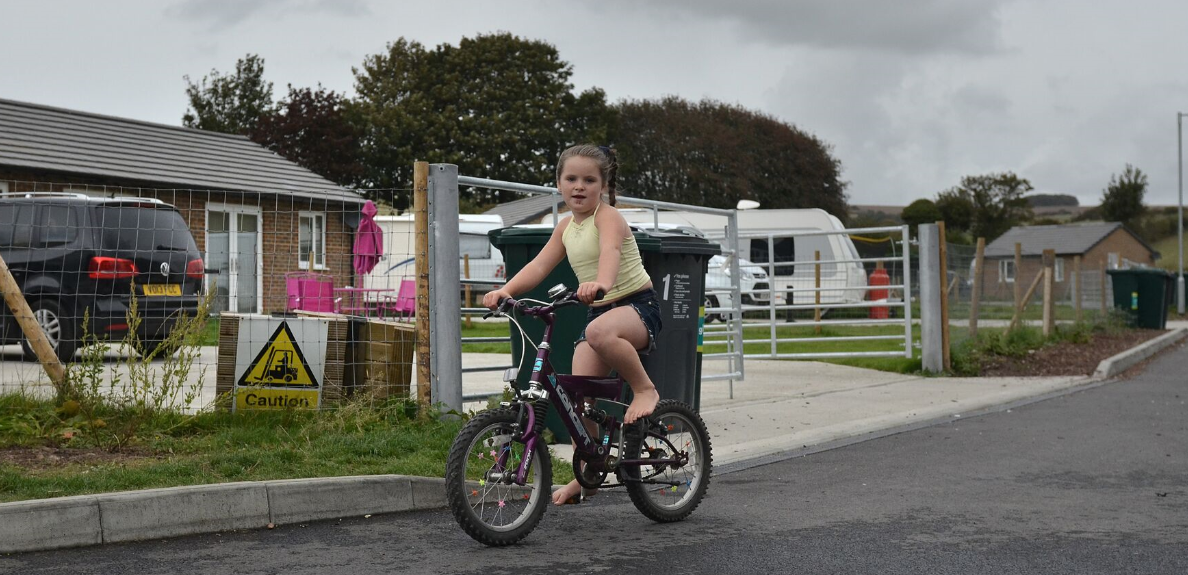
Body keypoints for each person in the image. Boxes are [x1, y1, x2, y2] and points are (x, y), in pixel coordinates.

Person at [483, 144, 664, 505]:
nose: (579, 186)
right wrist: (505, 290)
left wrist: (601, 283)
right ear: (559, 183)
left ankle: (644, 389)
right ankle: (590, 472)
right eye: (571, 179)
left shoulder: (608, 217)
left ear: (602, 185)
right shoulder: (566, 227)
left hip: (636, 307)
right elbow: (538, 267)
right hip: (599, 313)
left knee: (598, 333)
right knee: (579, 399)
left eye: (588, 180)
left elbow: (611, 253)